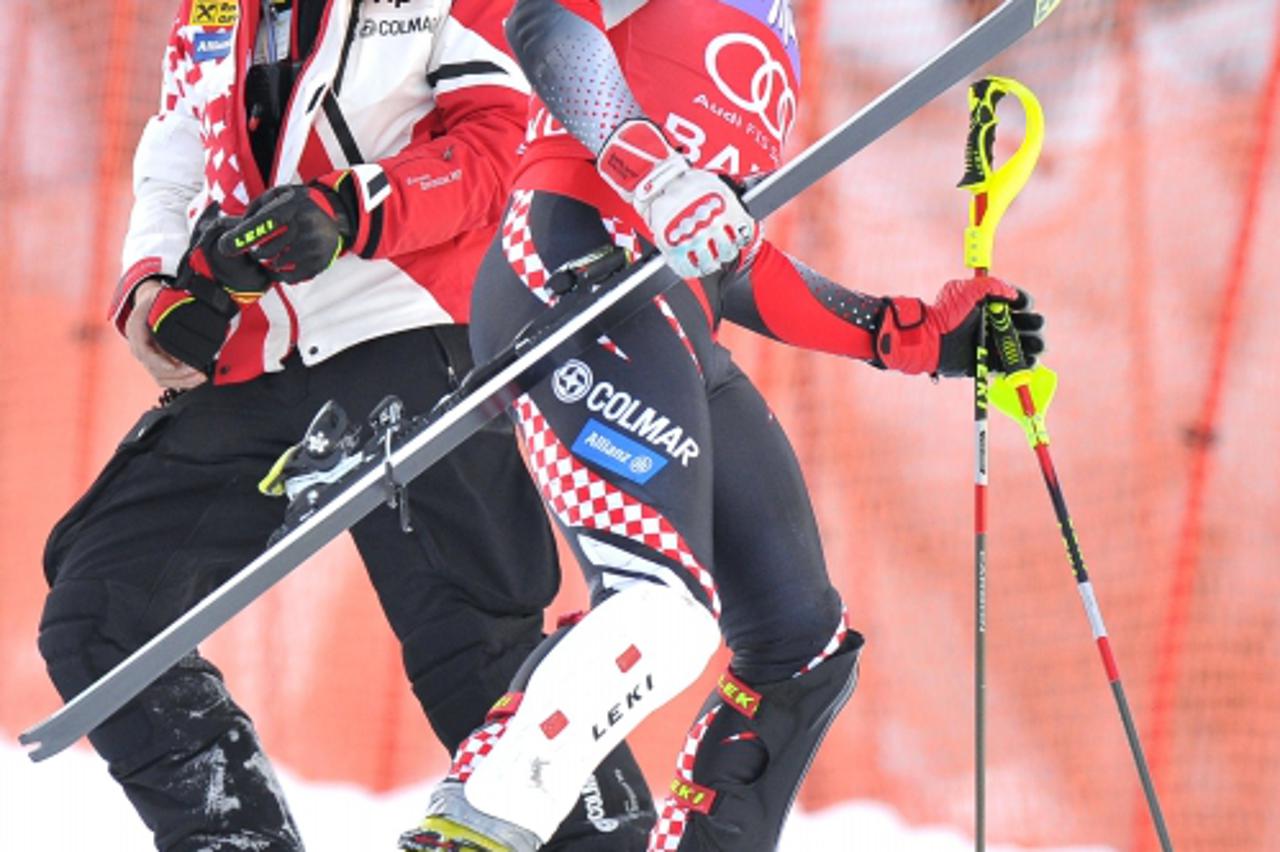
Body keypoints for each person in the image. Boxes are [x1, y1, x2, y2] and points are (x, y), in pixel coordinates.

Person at [398, 0, 1047, 850]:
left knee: (801, 646)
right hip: (577, 261)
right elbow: (548, 24)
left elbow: (723, 253)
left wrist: (910, 334)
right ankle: (480, 823)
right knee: (664, 613)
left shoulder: (780, 32)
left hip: (672, 310)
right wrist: (656, 172)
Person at [36, 0, 654, 849]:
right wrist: (153, 284)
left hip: (415, 327)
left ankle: (606, 839)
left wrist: (355, 208)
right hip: (259, 360)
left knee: (473, 654)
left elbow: (513, 138)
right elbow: (176, 146)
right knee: (103, 614)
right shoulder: (213, 8)